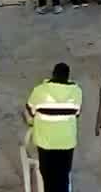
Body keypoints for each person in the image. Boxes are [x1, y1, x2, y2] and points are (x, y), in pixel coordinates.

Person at [25, 62, 83, 192]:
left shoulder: (39, 90)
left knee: (48, 175)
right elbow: (77, 113)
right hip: (66, 142)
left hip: (45, 143)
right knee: (63, 174)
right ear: (68, 77)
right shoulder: (77, 92)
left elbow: (30, 113)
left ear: (53, 75)